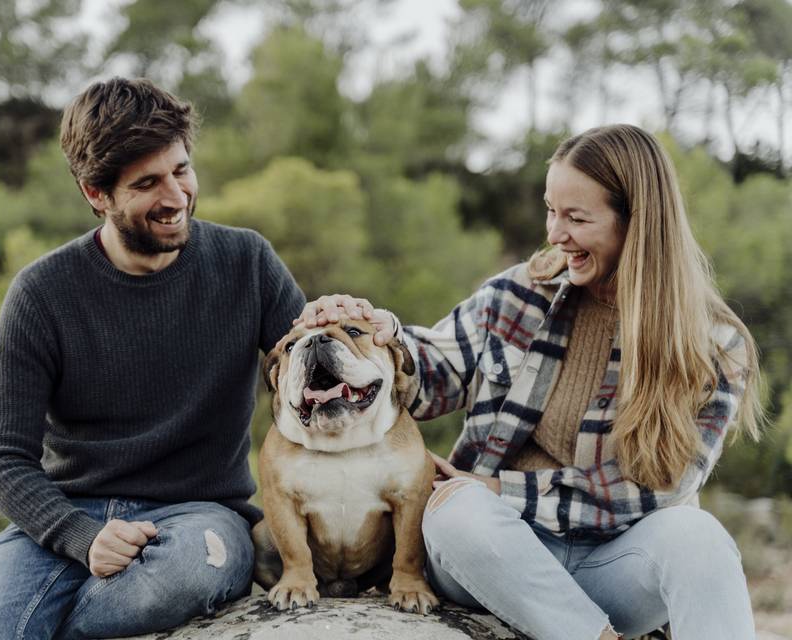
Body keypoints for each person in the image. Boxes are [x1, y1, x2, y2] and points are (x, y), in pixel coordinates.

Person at [297, 124, 763, 640]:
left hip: (616, 563)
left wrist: (500, 488)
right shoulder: (519, 292)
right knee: (453, 510)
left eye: (576, 218)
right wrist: (387, 340)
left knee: (700, 537)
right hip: (496, 559)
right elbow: (433, 374)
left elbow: (656, 491)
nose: (555, 234)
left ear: (636, 224)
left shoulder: (714, 344)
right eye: (550, 210)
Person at [0, 78, 305, 640]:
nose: (176, 196)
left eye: (181, 170)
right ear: (97, 193)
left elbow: (317, 385)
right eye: (147, 183)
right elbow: (2, 460)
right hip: (70, 516)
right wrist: (81, 537)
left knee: (178, 580)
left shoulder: (248, 262)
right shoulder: (41, 293)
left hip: (200, 516)